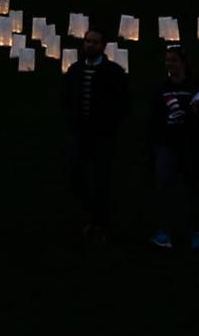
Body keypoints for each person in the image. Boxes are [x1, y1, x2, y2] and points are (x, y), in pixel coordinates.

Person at [62, 28, 130, 242]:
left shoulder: (113, 72)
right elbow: (65, 97)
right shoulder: (75, 70)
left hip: (102, 136)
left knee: (102, 179)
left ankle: (101, 222)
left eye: (95, 42)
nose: (90, 45)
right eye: (87, 41)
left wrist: (111, 124)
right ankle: (95, 214)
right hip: (80, 133)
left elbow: (123, 102)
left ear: (102, 46)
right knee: (76, 177)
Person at [149, 46, 199, 251]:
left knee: (195, 189)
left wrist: (197, 111)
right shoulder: (162, 88)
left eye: (173, 60)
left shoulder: (197, 87)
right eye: (167, 60)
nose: (169, 64)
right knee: (164, 189)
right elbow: (155, 116)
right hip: (168, 145)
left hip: (192, 145)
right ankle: (165, 232)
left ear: (183, 63)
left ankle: (197, 232)